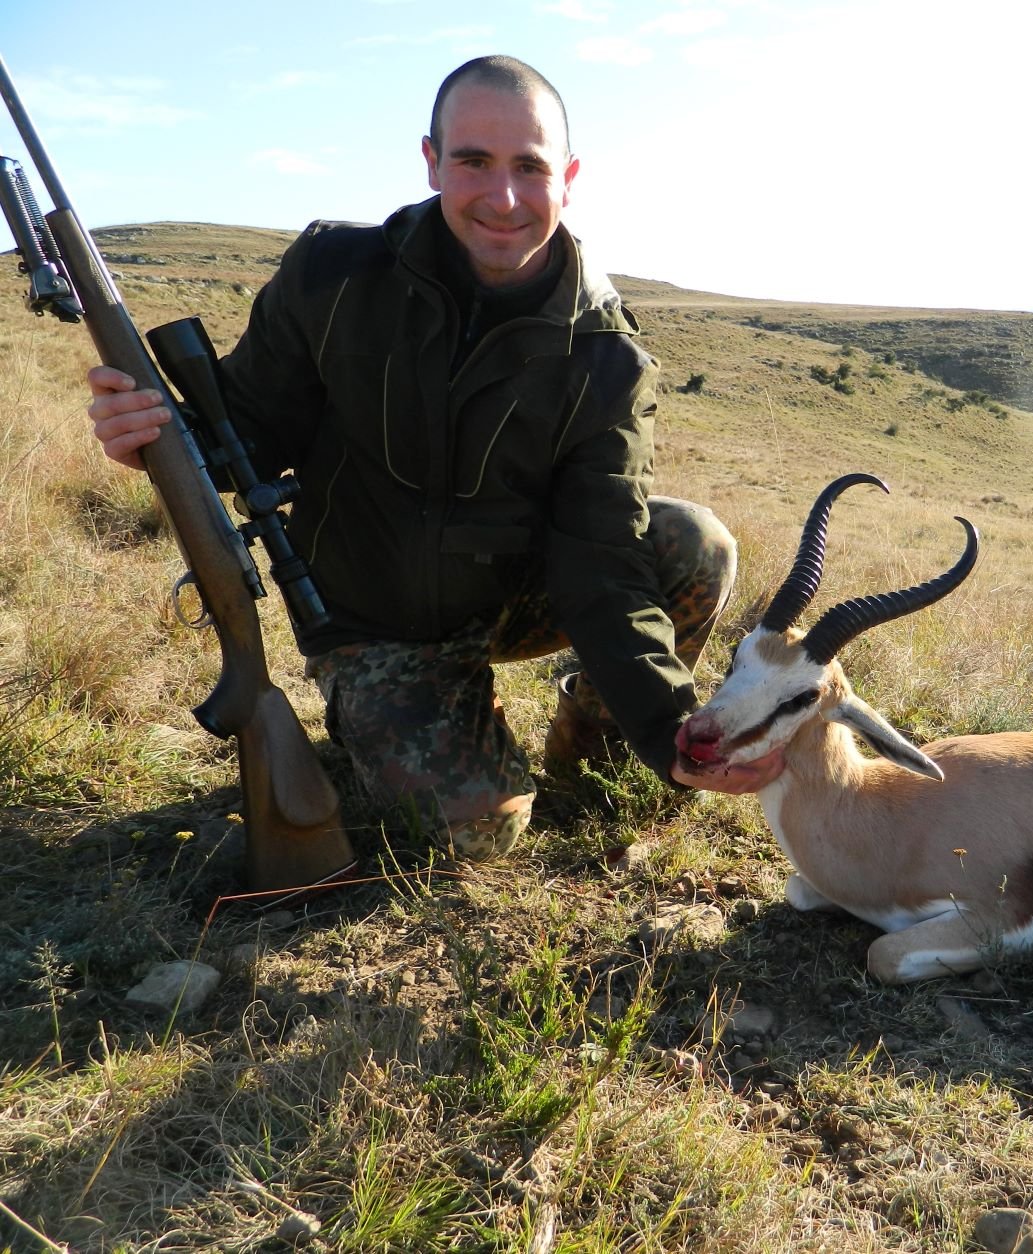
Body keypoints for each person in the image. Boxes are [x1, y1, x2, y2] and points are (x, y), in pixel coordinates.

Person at [87, 55, 762, 860]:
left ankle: (593, 755)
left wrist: (666, 730)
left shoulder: (606, 358)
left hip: (513, 596)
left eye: (530, 167)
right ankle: (391, 712)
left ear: (569, 177)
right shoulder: (333, 276)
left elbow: (602, 560)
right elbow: (249, 439)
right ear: (432, 161)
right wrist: (155, 443)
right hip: (376, 622)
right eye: (473, 161)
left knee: (695, 545)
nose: (503, 196)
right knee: (482, 835)